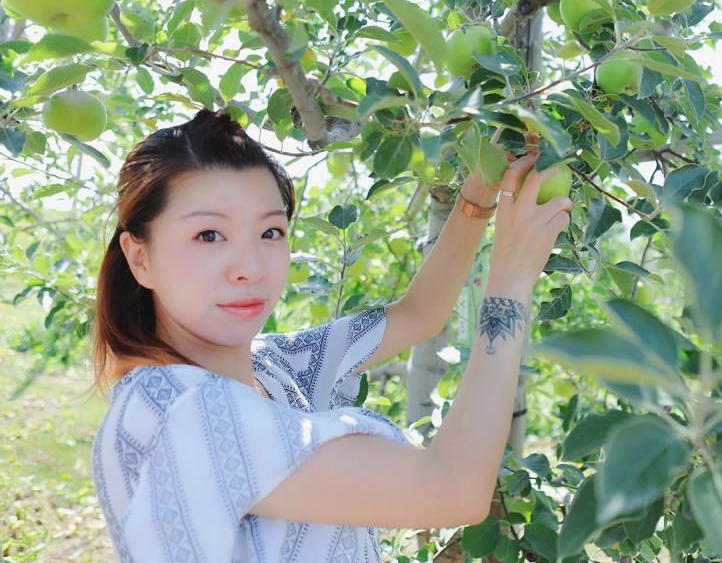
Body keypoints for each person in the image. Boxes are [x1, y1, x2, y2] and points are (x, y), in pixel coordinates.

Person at [90, 108, 573, 562]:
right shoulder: (184, 408)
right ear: (140, 258)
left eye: (271, 233)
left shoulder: (271, 367)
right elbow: (456, 491)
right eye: (209, 236)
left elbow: (418, 315)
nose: (250, 268)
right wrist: (510, 282)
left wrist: (481, 193)